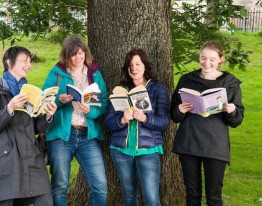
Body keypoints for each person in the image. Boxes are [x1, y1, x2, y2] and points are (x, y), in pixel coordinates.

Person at [170, 41, 245, 206]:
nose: (206, 63)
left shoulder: (230, 83)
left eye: (212, 59)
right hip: (189, 142)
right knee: (192, 196)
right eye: (203, 58)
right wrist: (180, 110)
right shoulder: (187, 80)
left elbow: (237, 120)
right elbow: (174, 115)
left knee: (214, 197)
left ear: (220, 60)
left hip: (215, 145)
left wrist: (232, 110)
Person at [0, 46, 57, 206]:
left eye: (29, 62)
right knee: (6, 201)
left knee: (45, 200)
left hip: (31, 155)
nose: (28, 65)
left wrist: (48, 116)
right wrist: (9, 108)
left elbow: (35, 127)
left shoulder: (28, 91)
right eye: (24, 61)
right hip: (6, 158)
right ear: (9, 62)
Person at [42, 35, 108, 206]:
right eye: (73, 54)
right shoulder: (56, 73)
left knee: (100, 186)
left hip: (88, 136)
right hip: (62, 136)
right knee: (60, 185)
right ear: (66, 55)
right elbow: (43, 100)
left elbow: (104, 103)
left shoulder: (94, 74)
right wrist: (59, 101)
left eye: (81, 53)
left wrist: (90, 111)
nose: (78, 58)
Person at [104, 48, 169, 206]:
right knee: (129, 196)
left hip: (148, 150)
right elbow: (108, 122)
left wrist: (145, 118)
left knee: (151, 199)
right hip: (121, 151)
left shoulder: (158, 89)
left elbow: (164, 122)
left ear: (145, 66)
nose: (134, 68)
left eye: (138, 64)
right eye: (130, 65)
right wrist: (122, 120)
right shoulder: (120, 90)